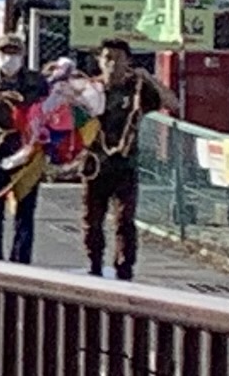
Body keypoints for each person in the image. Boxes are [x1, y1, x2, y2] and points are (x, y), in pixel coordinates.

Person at [71, 37, 167, 280]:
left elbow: (171, 102)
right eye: (107, 58)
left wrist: (149, 79)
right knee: (92, 220)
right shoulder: (90, 89)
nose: (112, 63)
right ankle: (94, 263)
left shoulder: (135, 90)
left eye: (118, 58)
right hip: (94, 164)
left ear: (128, 61)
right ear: (99, 61)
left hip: (125, 165)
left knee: (125, 220)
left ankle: (124, 268)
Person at [0, 84, 53, 263]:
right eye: (5, 53)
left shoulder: (34, 80)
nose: (10, 58)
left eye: (15, 53)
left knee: (25, 211)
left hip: (28, 150)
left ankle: (21, 263)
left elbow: (51, 102)